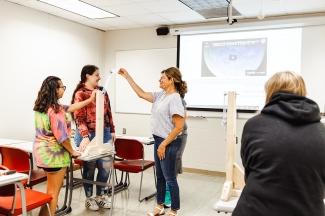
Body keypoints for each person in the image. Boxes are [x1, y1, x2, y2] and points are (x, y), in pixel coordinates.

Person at [233, 71, 325, 216]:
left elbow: (249, 171)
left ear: (270, 92)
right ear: (303, 92)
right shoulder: (322, 132)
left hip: (254, 210)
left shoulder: (254, 125)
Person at [118, 67, 187, 216]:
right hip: (158, 139)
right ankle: (159, 206)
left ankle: (174, 210)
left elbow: (179, 127)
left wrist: (163, 144)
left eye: (162, 78)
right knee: (160, 176)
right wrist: (128, 77)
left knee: (170, 178)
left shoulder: (175, 98)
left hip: (169, 142)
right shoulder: (161, 95)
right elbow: (141, 94)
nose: (159, 80)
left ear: (171, 80)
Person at [33, 76, 95, 216]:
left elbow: (71, 107)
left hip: (42, 154)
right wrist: (73, 151)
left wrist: (90, 100)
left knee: (50, 191)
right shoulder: (55, 111)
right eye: (62, 87)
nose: (63, 89)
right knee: (54, 193)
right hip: (54, 156)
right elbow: (62, 137)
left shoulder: (42, 107)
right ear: (55, 90)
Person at [71, 65, 115, 211]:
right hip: (87, 135)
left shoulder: (103, 91)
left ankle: (100, 196)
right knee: (89, 169)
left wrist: (112, 130)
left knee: (106, 168)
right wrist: (84, 136)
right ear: (87, 76)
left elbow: (108, 112)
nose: (99, 77)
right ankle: (89, 199)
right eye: (96, 74)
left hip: (105, 133)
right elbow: (79, 117)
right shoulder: (80, 94)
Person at [165, 98, 188, 208]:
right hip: (165, 135)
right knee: (166, 164)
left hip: (179, 135)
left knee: (173, 163)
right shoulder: (163, 99)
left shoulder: (180, 101)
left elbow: (179, 124)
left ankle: (169, 195)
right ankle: (165, 192)